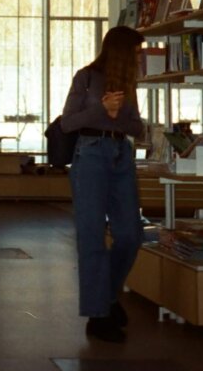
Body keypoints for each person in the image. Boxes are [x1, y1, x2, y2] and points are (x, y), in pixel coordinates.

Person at [59, 26, 146, 343]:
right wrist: (101, 110)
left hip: (121, 155)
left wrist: (117, 114)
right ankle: (98, 316)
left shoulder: (128, 85)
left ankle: (107, 297)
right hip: (91, 156)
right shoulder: (86, 77)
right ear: (121, 51)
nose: (140, 57)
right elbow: (68, 121)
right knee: (92, 238)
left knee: (130, 235)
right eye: (136, 52)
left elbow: (137, 128)